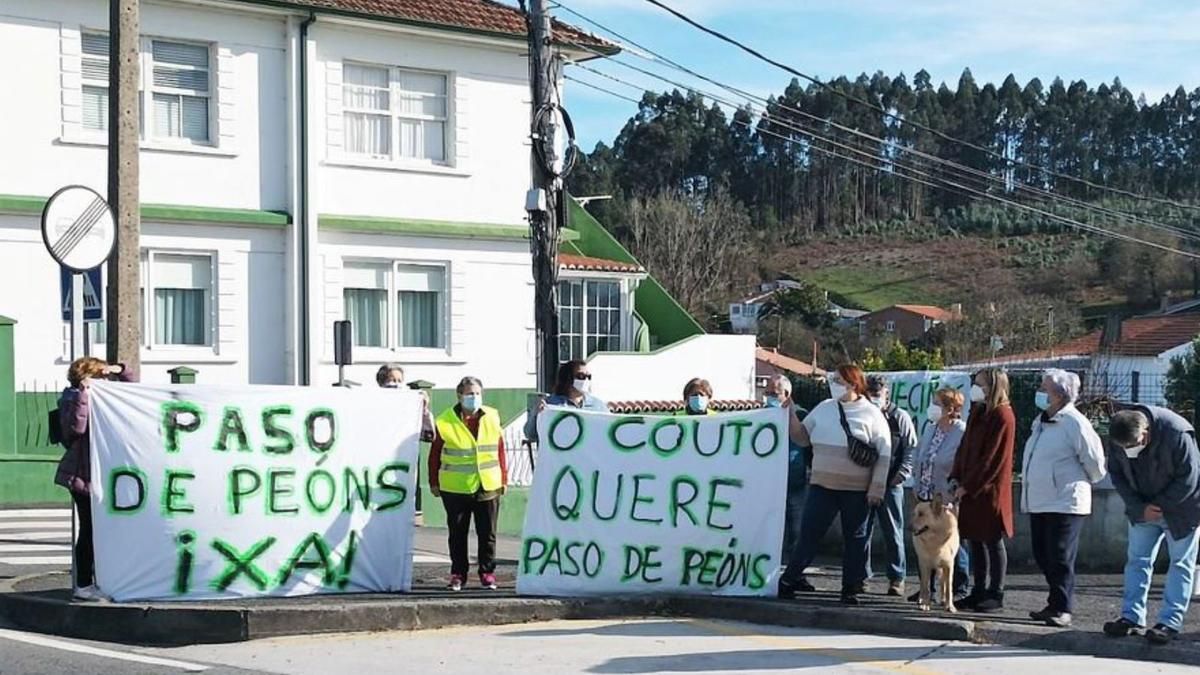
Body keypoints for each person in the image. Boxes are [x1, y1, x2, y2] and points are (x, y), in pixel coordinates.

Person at [779, 364, 892, 605]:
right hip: (822, 486)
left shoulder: (871, 413)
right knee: (809, 534)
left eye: (839, 380)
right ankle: (789, 579)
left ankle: (850, 588)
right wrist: (790, 414)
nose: (834, 383)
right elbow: (801, 437)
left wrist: (877, 487)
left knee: (856, 538)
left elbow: (884, 453)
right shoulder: (824, 408)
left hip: (857, 490)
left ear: (853, 384)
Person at [1102, 406, 1200, 645]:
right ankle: (1131, 617)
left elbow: (1189, 477)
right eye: (1122, 447)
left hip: (1181, 511)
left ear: (1145, 434)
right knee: (1138, 560)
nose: (1126, 451)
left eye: (1131, 445)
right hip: (1142, 509)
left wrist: (1159, 506)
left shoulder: (1177, 433)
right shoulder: (1119, 432)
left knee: (1181, 564)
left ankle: (1169, 623)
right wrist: (1138, 508)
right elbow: (1117, 474)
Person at [1021, 369, 1106, 627]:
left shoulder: (1075, 422)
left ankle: (1063, 607)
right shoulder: (1041, 421)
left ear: (1059, 394)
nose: (1040, 392)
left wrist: (1074, 483)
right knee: (1042, 552)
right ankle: (1054, 602)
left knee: (1060, 555)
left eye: (1044, 388)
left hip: (1065, 500)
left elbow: (1095, 463)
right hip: (1039, 499)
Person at [54, 357, 134, 600]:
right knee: (89, 529)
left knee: (105, 529)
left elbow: (133, 386)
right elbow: (75, 430)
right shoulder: (70, 398)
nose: (106, 381)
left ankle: (101, 577)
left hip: (103, 474)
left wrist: (119, 368)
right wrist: (84, 396)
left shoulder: (106, 398)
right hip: (82, 475)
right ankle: (83, 584)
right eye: (102, 376)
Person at [430, 376, 508, 592]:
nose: (474, 397)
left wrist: (504, 478)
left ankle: (487, 573)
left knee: (487, 533)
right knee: (457, 533)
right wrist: (434, 482)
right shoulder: (445, 421)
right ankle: (458, 574)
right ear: (459, 395)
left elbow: (500, 449)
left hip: (488, 484)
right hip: (456, 487)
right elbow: (434, 454)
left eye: (477, 393)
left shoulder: (492, 416)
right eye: (469, 393)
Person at [949, 368, 1016, 612]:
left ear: (994, 387)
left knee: (992, 540)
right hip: (969, 489)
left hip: (989, 491)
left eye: (980, 384)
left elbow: (993, 458)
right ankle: (978, 590)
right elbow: (964, 448)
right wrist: (956, 476)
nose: (975, 388)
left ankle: (995, 593)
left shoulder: (1003, 416)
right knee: (974, 539)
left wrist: (969, 485)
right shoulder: (978, 412)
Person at [908, 387, 971, 604]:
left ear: (951, 409)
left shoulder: (961, 432)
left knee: (951, 542)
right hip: (924, 494)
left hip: (947, 497)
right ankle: (928, 590)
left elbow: (962, 463)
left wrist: (955, 490)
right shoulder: (930, 429)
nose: (932, 407)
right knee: (925, 541)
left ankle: (958, 587)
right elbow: (920, 456)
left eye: (937, 403)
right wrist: (916, 482)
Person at [864, 374, 918, 596]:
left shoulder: (900, 417)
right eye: (870, 394)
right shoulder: (862, 415)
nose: (873, 398)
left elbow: (911, 448)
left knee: (893, 532)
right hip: (864, 483)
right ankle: (861, 576)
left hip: (891, 483)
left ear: (887, 393)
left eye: (877, 394)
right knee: (862, 531)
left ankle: (897, 579)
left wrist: (901, 475)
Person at [763, 375, 811, 565]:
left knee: (796, 532)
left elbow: (809, 446)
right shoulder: (760, 415)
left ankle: (794, 575)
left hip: (794, 482)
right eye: (766, 393)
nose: (768, 397)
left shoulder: (801, 416)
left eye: (773, 393)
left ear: (787, 394)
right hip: (766, 485)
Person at [524, 360, 608, 442]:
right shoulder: (550, 404)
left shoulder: (598, 406)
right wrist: (536, 414)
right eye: (581, 376)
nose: (586, 380)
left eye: (589, 377)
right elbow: (531, 435)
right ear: (568, 378)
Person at [376, 364, 435, 442]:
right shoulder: (376, 407)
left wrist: (423, 409)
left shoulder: (409, 408)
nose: (397, 385)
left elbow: (428, 436)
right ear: (381, 383)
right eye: (393, 381)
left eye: (399, 381)